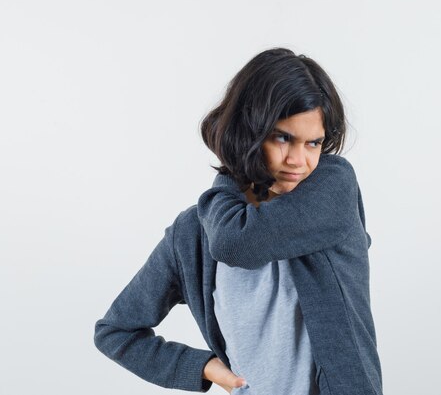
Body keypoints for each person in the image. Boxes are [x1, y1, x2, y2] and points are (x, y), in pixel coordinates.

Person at [94, 47, 383, 395]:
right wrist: (205, 368)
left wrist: (230, 177)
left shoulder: (333, 187)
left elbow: (237, 243)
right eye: (283, 137)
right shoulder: (193, 234)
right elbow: (115, 331)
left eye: (314, 143)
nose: (299, 160)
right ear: (247, 130)